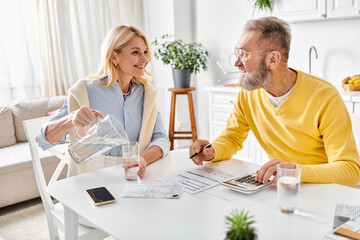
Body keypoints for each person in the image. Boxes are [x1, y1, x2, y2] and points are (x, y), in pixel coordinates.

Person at [189, 16, 360, 187]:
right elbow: (232, 137)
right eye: (238, 53)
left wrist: (294, 171)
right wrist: (212, 151)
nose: (236, 62)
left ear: (272, 59)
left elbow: (350, 171)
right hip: (280, 187)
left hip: (322, 188)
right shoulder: (248, 94)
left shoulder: (325, 96)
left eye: (244, 54)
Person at [38, 25, 170, 178]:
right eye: (136, 52)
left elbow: (161, 138)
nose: (145, 59)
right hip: (91, 175)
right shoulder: (85, 91)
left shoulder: (147, 94)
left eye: (145, 52)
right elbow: (43, 139)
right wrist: (71, 118)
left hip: (133, 173)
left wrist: (142, 159)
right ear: (114, 56)